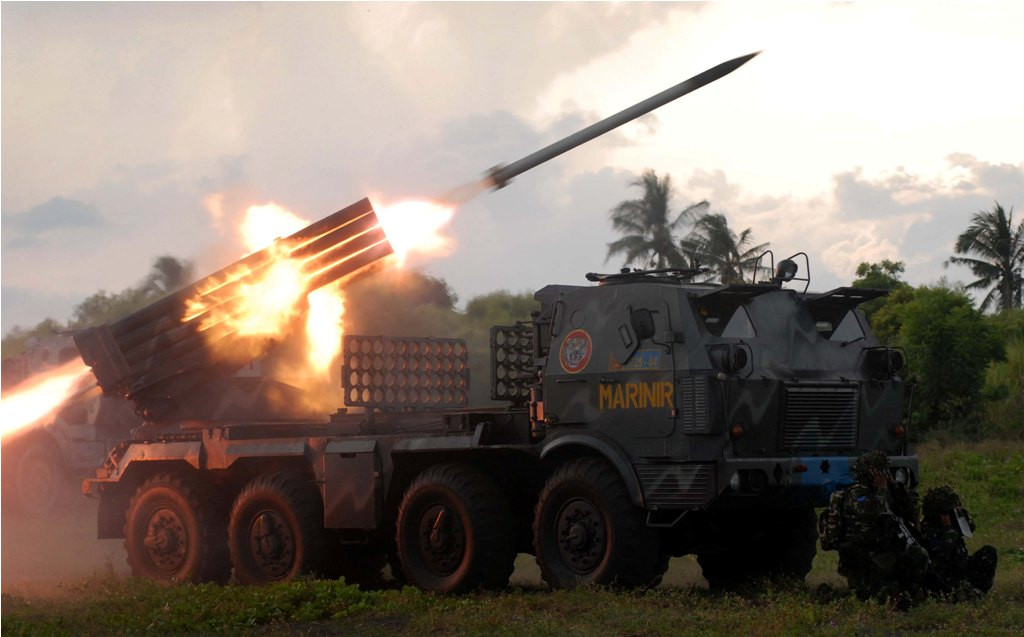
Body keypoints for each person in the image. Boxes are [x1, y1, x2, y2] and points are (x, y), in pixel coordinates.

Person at [826, 450, 930, 607]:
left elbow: (910, 510)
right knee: (877, 596)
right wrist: (882, 489)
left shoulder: (884, 491)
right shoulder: (856, 493)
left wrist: (894, 487)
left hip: (884, 552)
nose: (884, 474)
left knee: (918, 555)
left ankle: (907, 595)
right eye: (880, 471)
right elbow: (871, 510)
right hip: (863, 556)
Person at [920, 485, 998, 601]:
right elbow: (941, 554)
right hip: (948, 574)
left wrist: (961, 514)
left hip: (962, 565)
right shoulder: (929, 529)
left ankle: (978, 589)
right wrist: (948, 529)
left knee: (989, 553)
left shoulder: (952, 521)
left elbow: (970, 529)